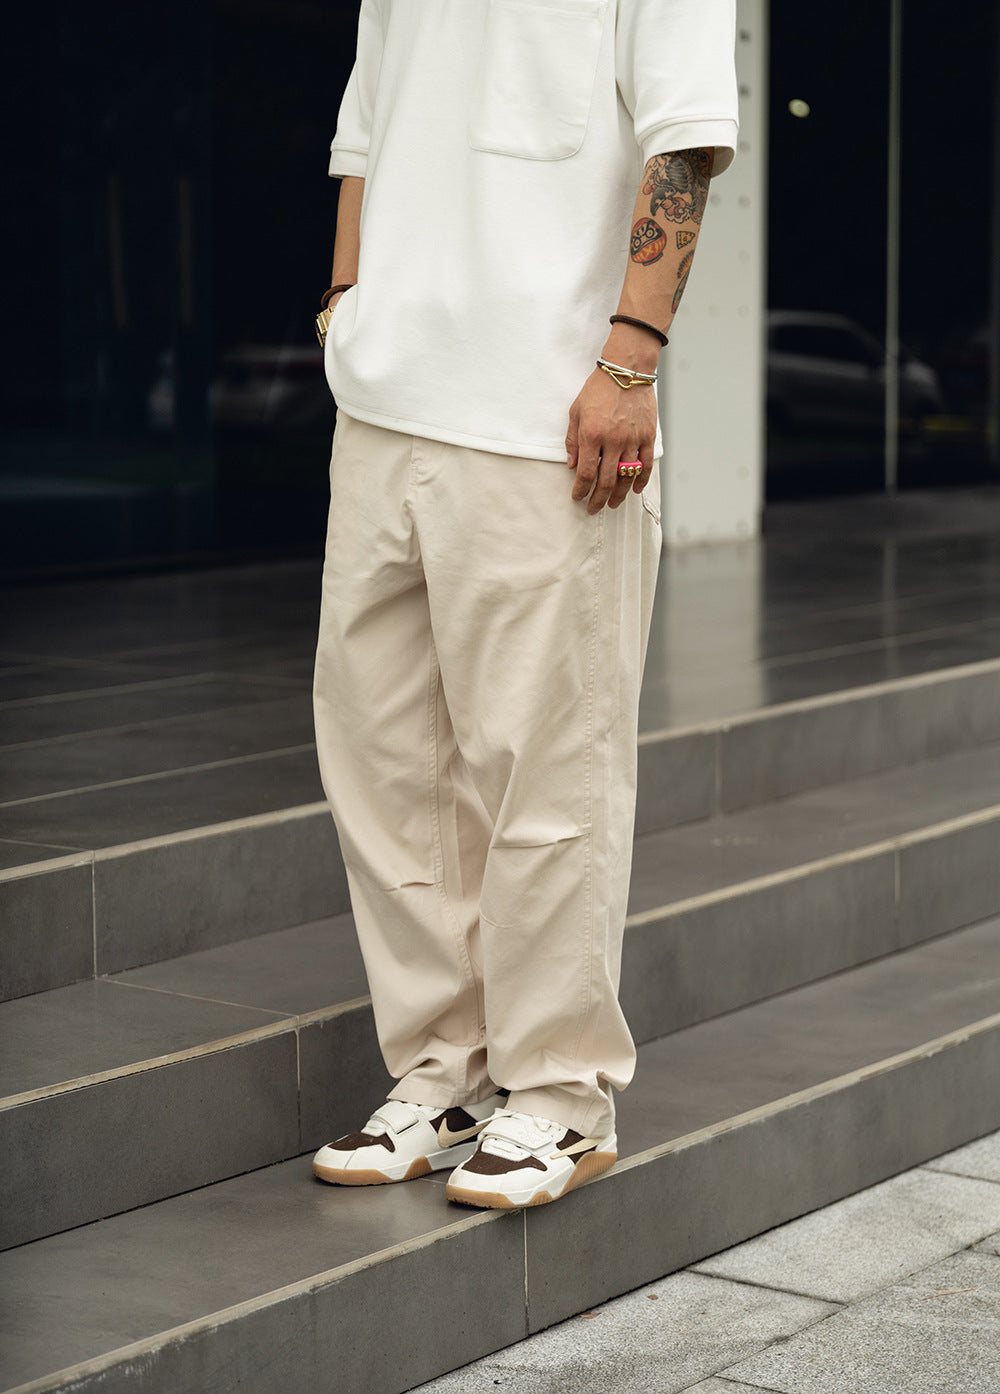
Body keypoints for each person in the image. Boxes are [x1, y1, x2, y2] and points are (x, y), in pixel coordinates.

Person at [310, 0, 738, 1209]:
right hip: (385, 404)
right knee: (386, 765)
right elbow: (363, 134)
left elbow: (683, 143)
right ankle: (440, 1072)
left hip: (549, 415)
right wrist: (345, 307)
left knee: (550, 768)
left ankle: (559, 1091)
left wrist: (628, 360)